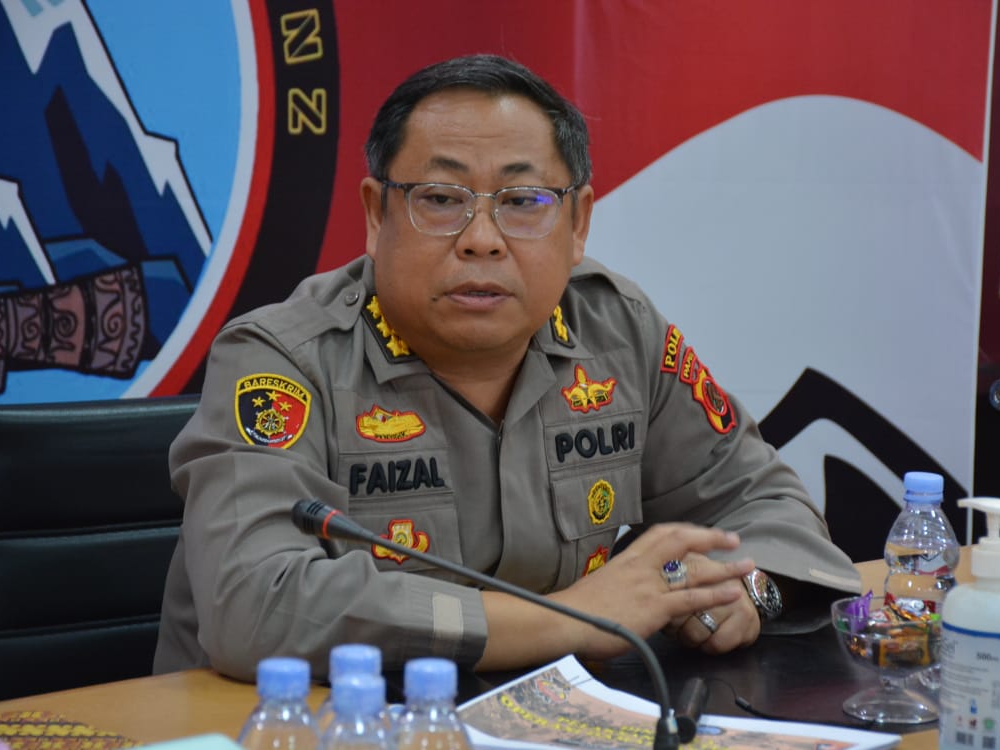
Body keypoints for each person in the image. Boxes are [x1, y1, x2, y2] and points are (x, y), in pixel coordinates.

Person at [153, 53, 860, 681]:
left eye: (523, 202)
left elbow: (770, 506)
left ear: (578, 224)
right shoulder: (281, 361)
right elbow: (254, 606)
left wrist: (744, 591)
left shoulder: (617, 333)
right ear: (376, 215)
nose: (482, 240)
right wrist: (571, 620)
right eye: (441, 200)